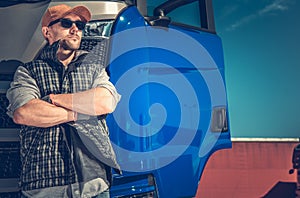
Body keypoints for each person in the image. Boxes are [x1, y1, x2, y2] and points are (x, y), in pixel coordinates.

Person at [6, 4, 121, 198]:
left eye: (80, 25)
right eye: (67, 23)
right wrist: (83, 112)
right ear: (47, 31)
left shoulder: (94, 69)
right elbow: (25, 112)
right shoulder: (28, 71)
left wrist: (52, 99)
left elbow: (105, 102)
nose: (75, 29)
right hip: (43, 185)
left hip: (93, 185)